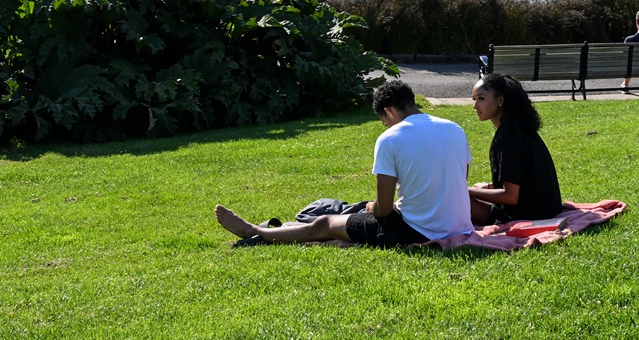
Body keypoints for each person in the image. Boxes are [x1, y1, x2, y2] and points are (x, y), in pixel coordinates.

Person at [214, 79, 472, 248]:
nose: (385, 126)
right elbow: (458, 181)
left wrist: (373, 207)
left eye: (384, 122)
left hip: (418, 231)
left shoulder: (391, 138)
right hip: (459, 225)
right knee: (350, 216)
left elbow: (382, 212)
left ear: (389, 112)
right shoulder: (454, 128)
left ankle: (254, 231)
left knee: (325, 224)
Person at [466, 74, 563, 227]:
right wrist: (489, 186)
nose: (475, 105)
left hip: (528, 216)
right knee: (476, 191)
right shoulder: (519, 129)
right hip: (547, 209)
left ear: (500, 100)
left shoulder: (507, 138)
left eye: (481, 99)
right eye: (474, 99)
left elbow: (510, 197)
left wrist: (467, 191)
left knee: (453, 199)